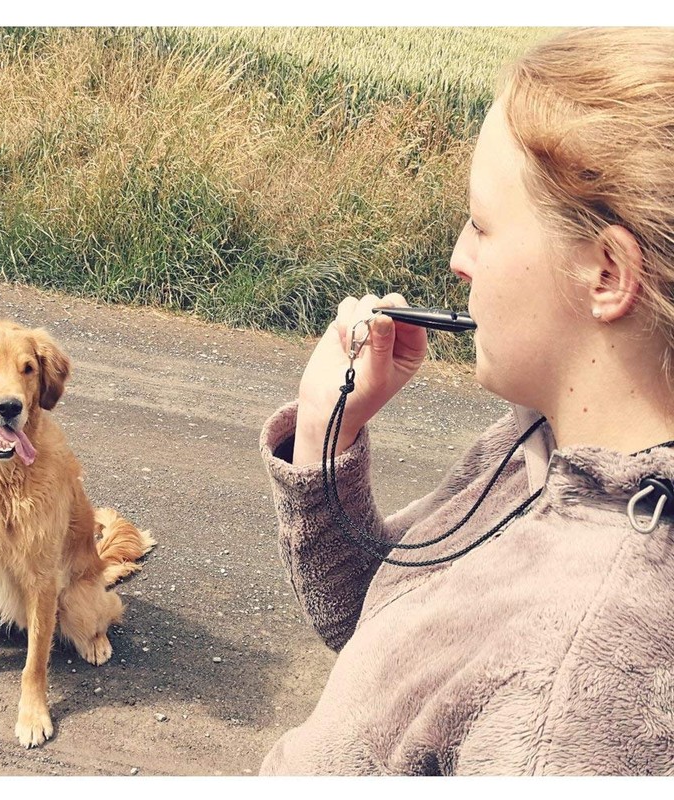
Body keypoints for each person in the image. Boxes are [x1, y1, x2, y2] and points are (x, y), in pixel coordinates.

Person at [258, 27, 674, 776]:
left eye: (482, 225)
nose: (459, 257)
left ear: (607, 273)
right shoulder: (537, 447)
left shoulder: (572, 691)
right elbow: (385, 627)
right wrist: (326, 433)